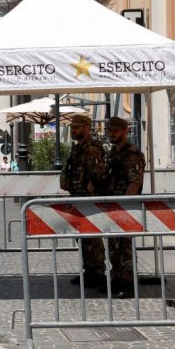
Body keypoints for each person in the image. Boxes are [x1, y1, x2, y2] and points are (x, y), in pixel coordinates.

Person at [59, 114, 107, 287]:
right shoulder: (78, 148)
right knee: (83, 237)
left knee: (92, 237)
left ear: (87, 128)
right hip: (78, 197)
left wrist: (92, 186)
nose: (73, 130)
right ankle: (89, 270)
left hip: (89, 200)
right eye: (72, 128)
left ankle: (98, 272)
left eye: (77, 127)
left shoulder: (92, 148)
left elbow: (99, 174)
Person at [104, 116, 145, 296]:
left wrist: (124, 207)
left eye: (115, 130)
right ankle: (116, 278)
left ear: (125, 131)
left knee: (125, 247)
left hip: (126, 207)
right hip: (112, 206)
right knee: (113, 246)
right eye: (109, 130)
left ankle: (128, 283)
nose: (111, 134)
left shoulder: (133, 154)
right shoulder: (113, 153)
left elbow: (134, 183)